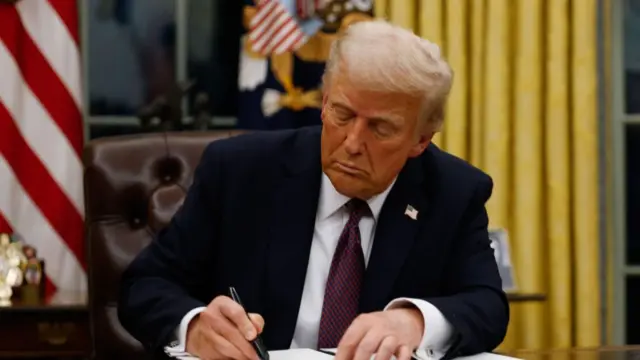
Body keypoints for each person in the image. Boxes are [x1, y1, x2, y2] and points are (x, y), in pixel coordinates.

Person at [118, 20, 509, 360]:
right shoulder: (240, 172)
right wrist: (196, 325)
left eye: (380, 128)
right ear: (323, 103)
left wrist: (414, 321)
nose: (352, 142)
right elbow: (145, 285)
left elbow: (488, 305)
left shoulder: (453, 191)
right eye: (342, 114)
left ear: (420, 140)